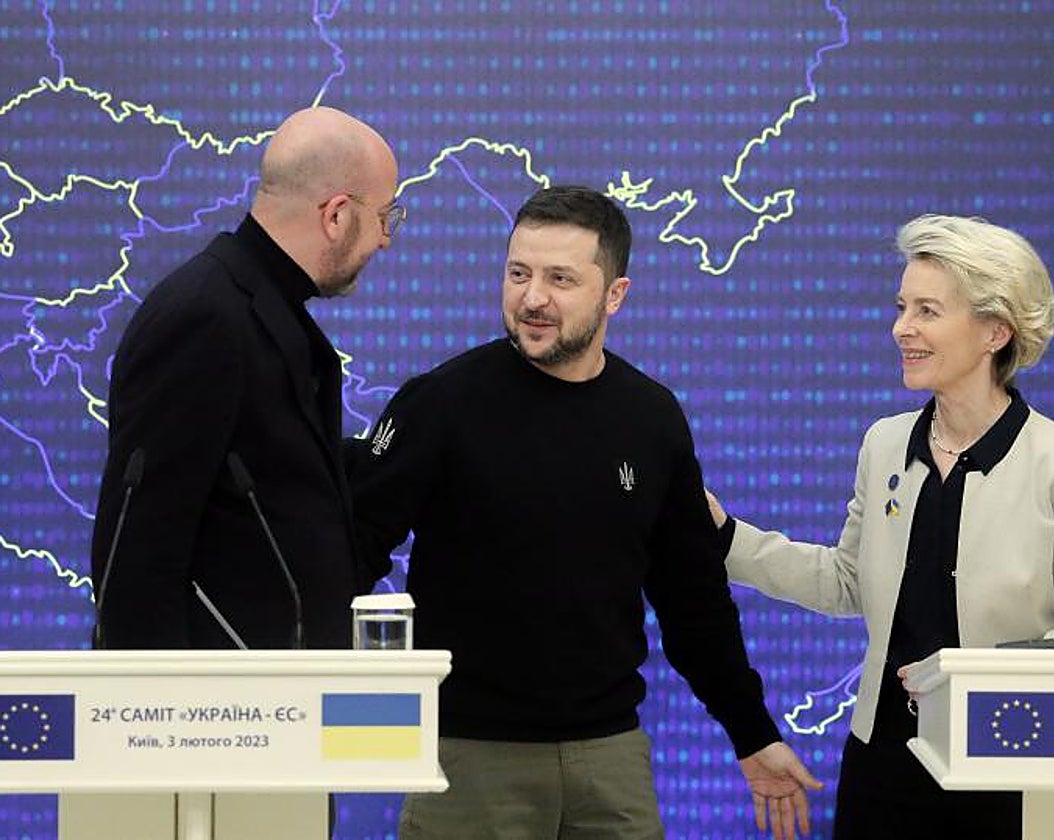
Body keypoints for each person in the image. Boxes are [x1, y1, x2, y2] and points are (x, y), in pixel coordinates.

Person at [349, 185, 821, 839]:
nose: (532, 297)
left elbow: (694, 602)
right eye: (519, 273)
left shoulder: (651, 419)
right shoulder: (441, 404)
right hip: (469, 762)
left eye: (560, 279)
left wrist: (752, 733)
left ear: (614, 295)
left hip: (611, 764)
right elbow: (350, 548)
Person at [705, 213, 1054, 840]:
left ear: (994, 331)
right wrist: (724, 537)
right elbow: (846, 582)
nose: (902, 328)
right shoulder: (885, 445)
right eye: (902, 307)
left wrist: (972, 673)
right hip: (885, 762)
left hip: (1007, 766)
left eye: (927, 311)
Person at [91, 106, 401, 650]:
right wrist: (160, 717)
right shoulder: (205, 318)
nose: (385, 241)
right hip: (222, 718)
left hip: (280, 703)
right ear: (335, 215)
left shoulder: (262, 308)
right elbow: (139, 548)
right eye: (385, 217)